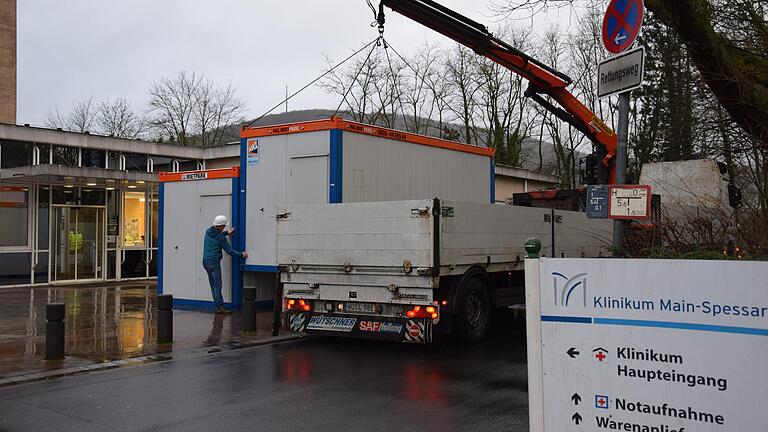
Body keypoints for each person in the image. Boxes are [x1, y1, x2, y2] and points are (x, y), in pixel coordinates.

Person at [203, 215, 247, 314]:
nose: (224, 228)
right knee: (217, 285)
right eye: (224, 226)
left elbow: (218, 235)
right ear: (221, 226)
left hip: (205, 261)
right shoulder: (221, 238)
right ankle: (219, 307)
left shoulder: (208, 231)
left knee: (213, 285)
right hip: (214, 263)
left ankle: (217, 306)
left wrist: (227, 233)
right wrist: (242, 254)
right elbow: (230, 251)